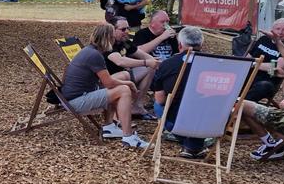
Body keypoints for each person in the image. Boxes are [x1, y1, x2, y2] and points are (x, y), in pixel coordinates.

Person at [60, 24, 149, 148]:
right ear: (107, 38)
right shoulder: (95, 55)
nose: (114, 40)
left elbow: (105, 82)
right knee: (123, 90)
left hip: (74, 96)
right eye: (112, 37)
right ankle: (129, 137)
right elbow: (108, 83)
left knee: (118, 85)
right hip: (76, 102)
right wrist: (129, 84)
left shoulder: (91, 50)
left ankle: (109, 127)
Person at [151, 26, 209, 159]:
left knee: (158, 105)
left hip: (178, 120)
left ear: (180, 45)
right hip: (211, 121)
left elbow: (160, 100)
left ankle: (189, 145)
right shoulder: (217, 65)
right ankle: (194, 145)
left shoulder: (167, 64)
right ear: (201, 44)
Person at [106, 17, 159, 119]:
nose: (127, 32)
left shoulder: (124, 42)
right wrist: (145, 62)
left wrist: (156, 63)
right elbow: (120, 61)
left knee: (150, 68)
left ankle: (136, 106)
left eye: (127, 28)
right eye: (123, 29)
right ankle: (115, 117)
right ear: (112, 30)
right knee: (128, 73)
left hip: (122, 76)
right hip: (106, 81)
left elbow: (143, 55)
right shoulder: (107, 43)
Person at [244, 18, 284, 102]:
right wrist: (255, 63)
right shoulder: (263, 39)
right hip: (248, 74)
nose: (280, 32)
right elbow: (247, 57)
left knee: (263, 86)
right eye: (278, 29)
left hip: (268, 80)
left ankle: (239, 106)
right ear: (272, 30)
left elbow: (274, 69)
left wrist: (253, 64)